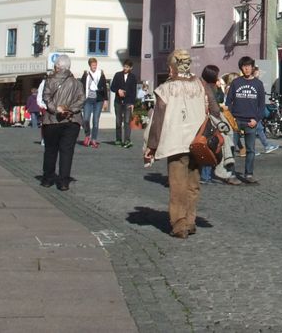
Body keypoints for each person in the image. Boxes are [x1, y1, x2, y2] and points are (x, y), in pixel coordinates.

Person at [144, 50, 209, 238]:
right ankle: (190, 220)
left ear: (172, 67)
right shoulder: (200, 85)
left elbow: (158, 120)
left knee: (178, 185)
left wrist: (152, 146)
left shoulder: (166, 89)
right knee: (193, 184)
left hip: (176, 142)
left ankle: (180, 224)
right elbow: (212, 107)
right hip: (197, 141)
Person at [39, 55, 86, 191]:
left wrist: (57, 109)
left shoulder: (50, 80)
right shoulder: (77, 83)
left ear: (57, 67)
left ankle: (48, 179)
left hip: (52, 120)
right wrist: (70, 110)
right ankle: (64, 181)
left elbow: (46, 98)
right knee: (67, 151)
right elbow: (82, 99)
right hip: (71, 121)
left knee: (50, 150)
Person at [225, 56, 266, 184]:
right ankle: (231, 175)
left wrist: (256, 119)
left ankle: (249, 174)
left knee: (250, 150)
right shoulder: (236, 82)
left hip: (251, 122)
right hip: (236, 121)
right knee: (231, 149)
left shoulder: (258, 84)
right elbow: (228, 102)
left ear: (252, 68)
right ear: (241, 68)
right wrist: (231, 118)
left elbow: (262, 105)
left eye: (249, 66)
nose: (247, 68)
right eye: (244, 66)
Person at [80, 58, 108, 147]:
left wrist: (106, 100)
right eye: (93, 65)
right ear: (90, 65)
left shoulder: (100, 73)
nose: (94, 67)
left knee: (95, 120)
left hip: (98, 100)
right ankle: (87, 135)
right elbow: (81, 86)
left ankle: (94, 139)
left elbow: (104, 87)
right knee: (85, 119)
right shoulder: (86, 74)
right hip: (88, 99)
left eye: (95, 65)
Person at [110, 59, 138, 148]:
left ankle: (127, 140)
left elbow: (134, 91)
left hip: (128, 101)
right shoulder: (117, 75)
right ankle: (118, 139)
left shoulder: (133, 77)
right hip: (118, 101)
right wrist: (118, 90)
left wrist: (132, 103)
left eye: (127, 67)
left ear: (131, 68)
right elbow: (112, 87)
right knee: (118, 121)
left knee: (127, 121)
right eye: (124, 66)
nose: (125, 68)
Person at [252, 67, 279, 154]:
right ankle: (251, 150)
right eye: (257, 73)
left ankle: (266, 146)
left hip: (255, 109)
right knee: (253, 130)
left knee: (258, 128)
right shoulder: (254, 83)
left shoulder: (256, 82)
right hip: (253, 110)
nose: (259, 74)